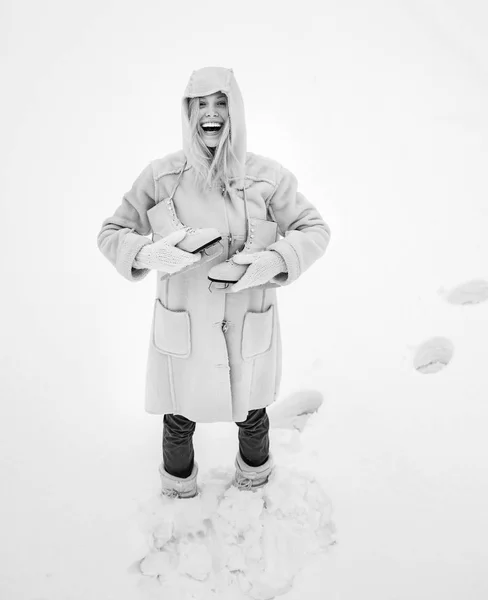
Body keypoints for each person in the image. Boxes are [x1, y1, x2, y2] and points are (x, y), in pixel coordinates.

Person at [96, 66, 331, 499]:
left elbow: (313, 228)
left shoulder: (267, 177)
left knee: (253, 413)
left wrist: (271, 262)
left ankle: (255, 480)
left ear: (235, 110)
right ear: (188, 113)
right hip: (182, 331)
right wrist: (151, 253)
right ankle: (179, 489)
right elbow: (112, 232)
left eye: (220, 102)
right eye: (200, 104)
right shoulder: (161, 176)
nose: (211, 112)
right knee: (178, 416)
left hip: (246, 330)